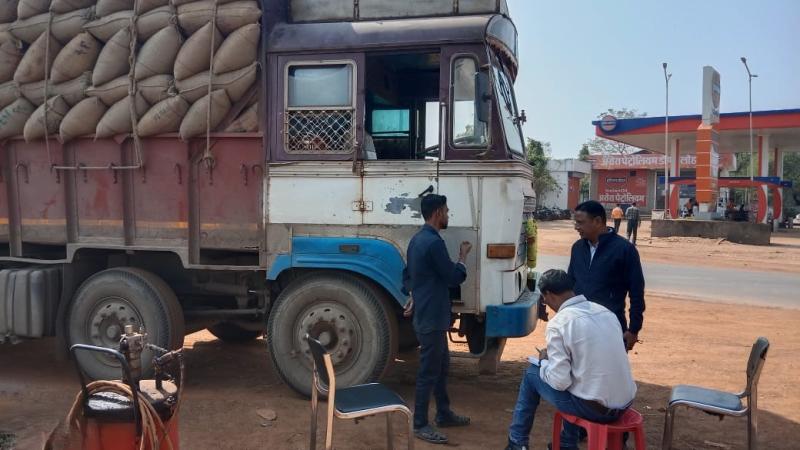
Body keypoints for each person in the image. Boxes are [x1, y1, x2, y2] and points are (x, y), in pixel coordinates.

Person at [504, 269, 637, 450]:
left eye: (544, 299)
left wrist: (544, 363)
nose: (545, 303)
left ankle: (517, 442)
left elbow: (560, 382)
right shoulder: (606, 312)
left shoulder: (559, 323)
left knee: (531, 375)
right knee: (576, 376)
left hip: (595, 409)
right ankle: (566, 443)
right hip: (624, 404)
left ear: (549, 295)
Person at [403, 193, 472, 445]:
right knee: (429, 371)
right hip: (431, 317)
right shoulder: (433, 243)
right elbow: (453, 277)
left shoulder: (417, 240)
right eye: (446, 211)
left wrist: (413, 295)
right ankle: (420, 424)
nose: (448, 215)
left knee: (441, 367)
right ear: (437, 213)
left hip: (430, 314)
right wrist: (463, 257)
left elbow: (408, 276)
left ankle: (443, 413)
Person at [569, 200, 645, 352]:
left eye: (580, 222)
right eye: (575, 222)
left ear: (597, 221)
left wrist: (633, 329)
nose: (576, 227)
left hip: (610, 328)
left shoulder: (624, 250)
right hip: (579, 327)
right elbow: (570, 284)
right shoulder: (577, 248)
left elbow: (636, 292)